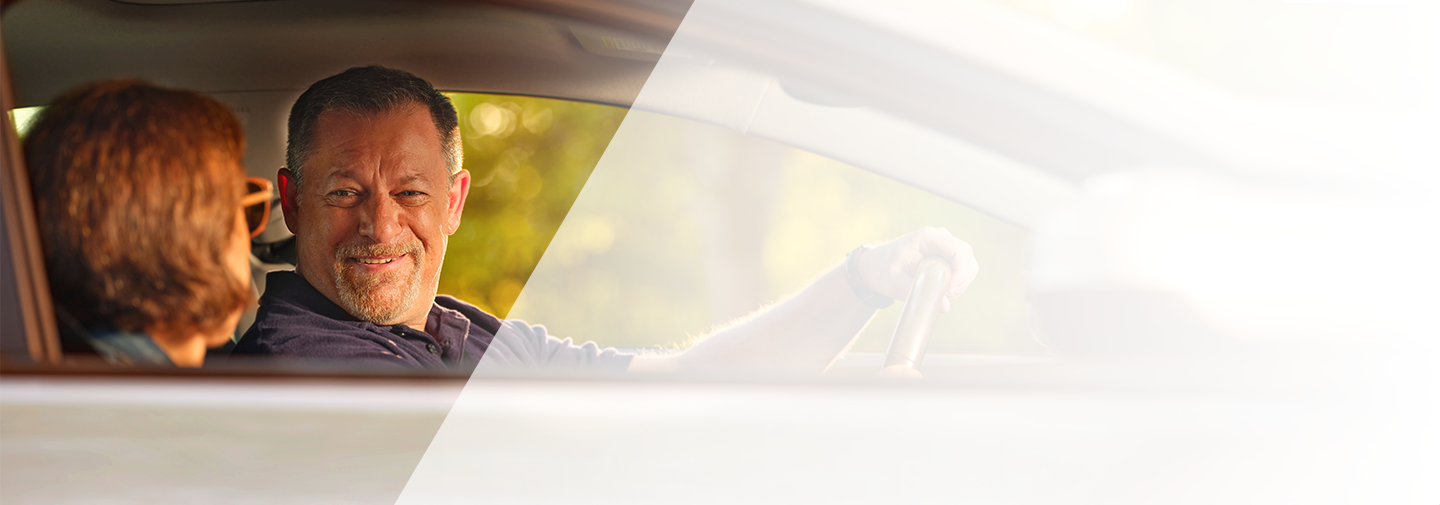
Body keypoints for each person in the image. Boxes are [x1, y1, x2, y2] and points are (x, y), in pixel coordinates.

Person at [232, 66, 977, 373]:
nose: (381, 225)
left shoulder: (461, 335)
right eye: (345, 193)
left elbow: (675, 385)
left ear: (454, 202)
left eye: (411, 194)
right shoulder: (313, 367)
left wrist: (863, 281)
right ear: (293, 201)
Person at [25, 79, 272, 367]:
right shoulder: (154, 404)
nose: (250, 234)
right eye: (243, 208)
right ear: (186, 232)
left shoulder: (48, 363)